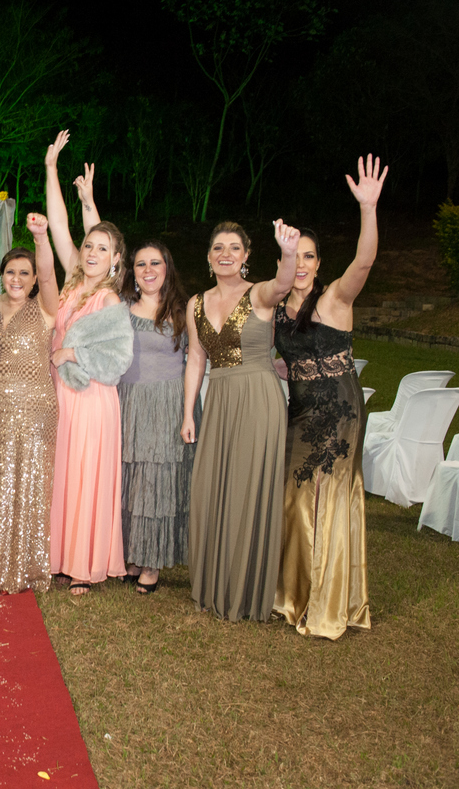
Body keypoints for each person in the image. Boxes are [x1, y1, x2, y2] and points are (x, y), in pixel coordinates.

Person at [272, 155, 387, 639]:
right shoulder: (276, 308)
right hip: (301, 411)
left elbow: (364, 260)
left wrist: (368, 208)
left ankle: (328, 603)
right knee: (295, 499)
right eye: (295, 254)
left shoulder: (334, 298)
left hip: (339, 410)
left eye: (310, 255)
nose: (302, 264)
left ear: (319, 263)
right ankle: (293, 596)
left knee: (329, 498)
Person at [77, 173, 199, 595]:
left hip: (165, 406)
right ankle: (128, 552)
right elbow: (100, 246)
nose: (148, 270)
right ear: (132, 269)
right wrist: (88, 201)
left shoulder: (184, 312)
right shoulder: (121, 305)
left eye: (156, 263)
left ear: (167, 269)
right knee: (125, 481)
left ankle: (151, 564)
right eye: (141, 263)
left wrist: (187, 414)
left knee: (156, 485)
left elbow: (195, 362)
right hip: (124, 401)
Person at [181, 219, 298, 622]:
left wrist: (287, 251)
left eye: (234, 248)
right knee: (212, 486)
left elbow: (283, 283)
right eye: (218, 248)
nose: (225, 254)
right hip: (220, 400)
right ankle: (215, 583)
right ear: (209, 255)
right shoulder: (196, 302)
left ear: (247, 256)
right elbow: (196, 358)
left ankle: (245, 590)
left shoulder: (260, 294)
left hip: (258, 396)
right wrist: (187, 413)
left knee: (248, 488)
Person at [44, 130, 134, 597]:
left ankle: (85, 563)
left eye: (103, 249)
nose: (92, 252)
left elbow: (117, 354)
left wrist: (71, 351)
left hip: (92, 396)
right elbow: (63, 229)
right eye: (89, 247)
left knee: (84, 474)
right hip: (61, 394)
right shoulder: (71, 286)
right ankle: (60, 555)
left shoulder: (109, 297)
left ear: (116, 261)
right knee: (62, 472)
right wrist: (52, 171)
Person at [0, 213, 60, 594]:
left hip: (37, 407)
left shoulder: (46, 308)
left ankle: (25, 566)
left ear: (35, 278)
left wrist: (41, 238)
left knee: (28, 482)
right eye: (11, 273)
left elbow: (52, 273)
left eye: (25, 273)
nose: (17, 279)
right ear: (1, 275)